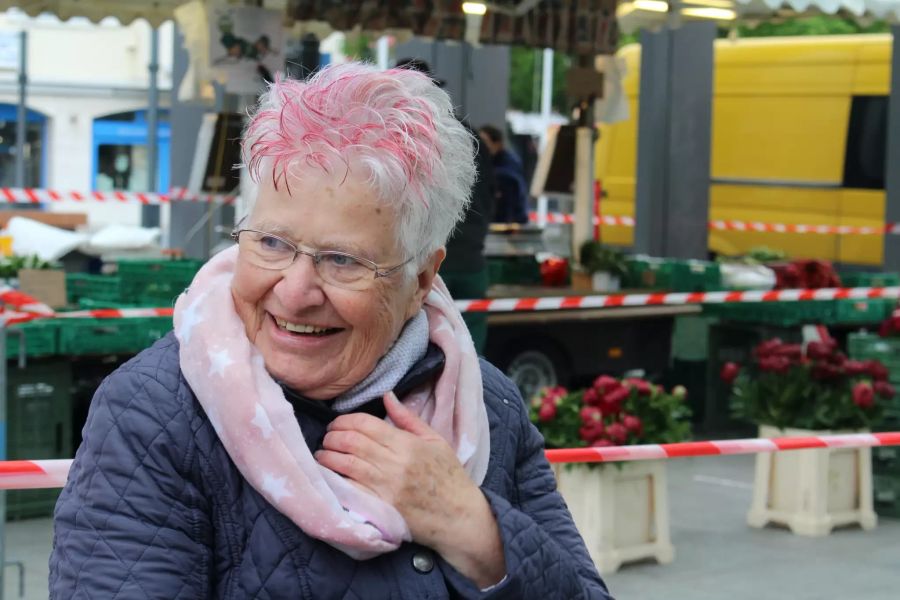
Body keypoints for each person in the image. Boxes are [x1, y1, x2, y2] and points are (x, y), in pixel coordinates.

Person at [49, 63, 612, 599]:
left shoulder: (486, 406)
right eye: (271, 243)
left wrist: (472, 526)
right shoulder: (155, 416)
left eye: (343, 260)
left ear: (421, 278)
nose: (294, 292)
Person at [395, 57, 494, 354]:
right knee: (473, 351)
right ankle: (472, 393)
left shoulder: (396, 134)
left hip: (419, 258)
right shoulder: (467, 134)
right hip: (469, 258)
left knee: (415, 348)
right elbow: (491, 195)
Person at [478, 124, 530, 224]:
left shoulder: (507, 167)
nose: (480, 146)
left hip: (510, 224)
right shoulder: (488, 164)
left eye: (484, 142)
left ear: (497, 144)